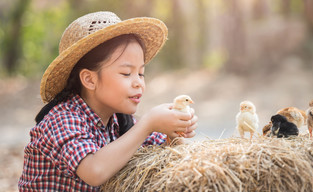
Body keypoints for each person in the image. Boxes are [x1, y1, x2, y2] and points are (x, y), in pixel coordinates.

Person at [18, 11, 198, 191]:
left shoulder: (120, 123)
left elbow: (174, 157)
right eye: (126, 73)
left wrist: (175, 131)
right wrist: (148, 123)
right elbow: (94, 171)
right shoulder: (62, 119)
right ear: (89, 79)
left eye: (141, 73)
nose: (139, 83)